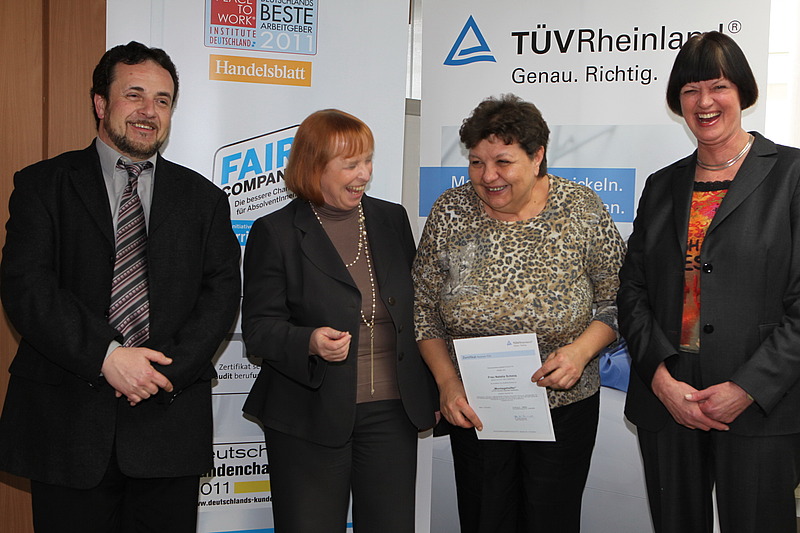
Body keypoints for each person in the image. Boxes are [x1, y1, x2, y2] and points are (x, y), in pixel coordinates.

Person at [0, 41, 241, 532]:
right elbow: (27, 287)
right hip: (67, 426)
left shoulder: (205, 200)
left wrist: (159, 373)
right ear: (100, 103)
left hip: (168, 423)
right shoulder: (43, 185)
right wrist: (107, 357)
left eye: (162, 100)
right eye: (134, 95)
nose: (149, 111)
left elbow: (220, 297)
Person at [413, 94, 626, 533]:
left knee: (551, 521)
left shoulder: (580, 208)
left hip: (563, 406)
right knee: (485, 519)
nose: (487, 176)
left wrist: (580, 352)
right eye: (476, 162)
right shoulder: (450, 211)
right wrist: (447, 383)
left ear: (537, 156)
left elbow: (619, 298)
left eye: (503, 162)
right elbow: (423, 308)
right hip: (475, 407)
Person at [618, 31, 800, 533]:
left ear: (743, 92)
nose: (704, 102)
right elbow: (632, 290)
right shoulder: (661, 185)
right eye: (690, 90)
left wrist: (746, 387)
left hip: (762, 403)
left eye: (718, 86)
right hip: (669, 399)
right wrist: (660, 379)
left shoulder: (791, 175)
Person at [241, 109, 437, 532]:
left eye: (367, 160)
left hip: (392, 412)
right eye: (350, 164)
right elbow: (258, 331)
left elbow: (417, 312)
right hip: (308, 414)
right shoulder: (275, 232)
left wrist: (435, 388)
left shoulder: (392, 219)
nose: (364, 174)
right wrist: (310, 341)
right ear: (314, 167)